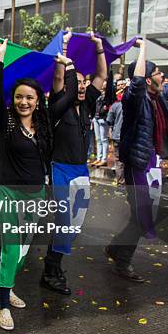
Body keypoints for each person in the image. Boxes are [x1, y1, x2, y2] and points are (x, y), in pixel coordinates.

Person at [105, 40, 168, 282]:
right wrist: (143, 48)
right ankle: (122, 262)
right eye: (157, 72)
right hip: (136, 164)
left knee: (141, 215)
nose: (162, 75)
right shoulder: (135, 100)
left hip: (150, 164)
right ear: (147, 78)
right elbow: (136, 83)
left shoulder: (157, 98)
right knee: (142, 215)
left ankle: (117, 249)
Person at [0, 38, 53, 331]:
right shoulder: (8, 124)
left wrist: (65, 69)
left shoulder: (43, 127)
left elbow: (65, 100)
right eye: (18, 97)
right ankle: (2, 305)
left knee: (23, 252)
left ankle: (9, 287)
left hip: (35, 194)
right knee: (11, 248)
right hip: (7, 192)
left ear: (38, 100)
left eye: (29, 97)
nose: (23, 102)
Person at [40, 31, 105, 295]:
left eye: (84, 82)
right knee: (64, 221)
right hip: (60, 170)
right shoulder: (59, 103)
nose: (82, 86)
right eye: (77, 82)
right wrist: (63, 46)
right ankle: (50, 271)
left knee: (74, 225)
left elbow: (101, 76)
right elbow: (57, 77)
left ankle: (53, 265)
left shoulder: (87, 104)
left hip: (81, 171)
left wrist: (99, 47)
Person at [107, 73, 127, 191]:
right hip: (127, 136)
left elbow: (109, 120)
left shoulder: (115, 106)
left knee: (119, 161)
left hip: (117, 136)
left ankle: (120, 183)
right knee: (127, 160)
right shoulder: (132, 105)